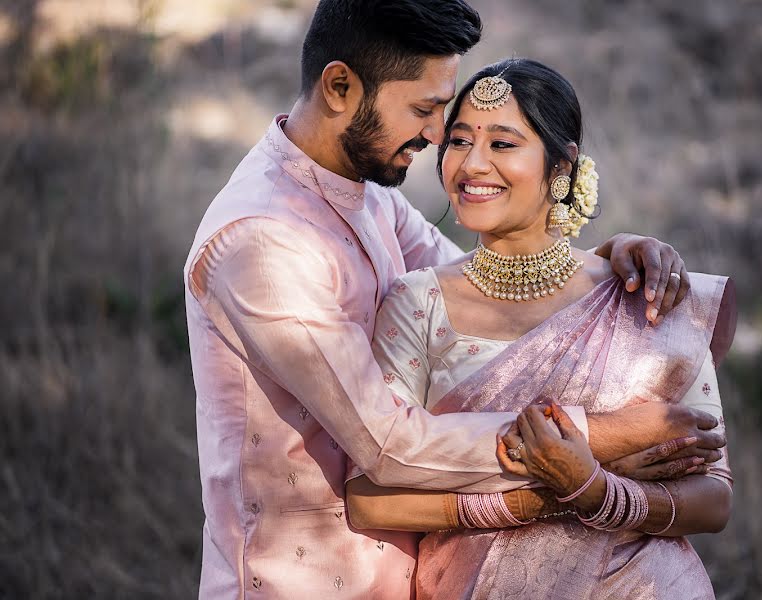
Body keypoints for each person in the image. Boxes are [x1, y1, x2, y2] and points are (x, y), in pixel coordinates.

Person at [183, 2, 725, 598]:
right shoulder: (263, 241)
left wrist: (602, 262)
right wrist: (598, 443)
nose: (440, 138)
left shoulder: (368, 198)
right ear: (340, 86)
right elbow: (388, 445)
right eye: (426, 110)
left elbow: (492, 284)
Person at [345, 58, 736, 599]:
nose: (473, 164)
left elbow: (714, 498)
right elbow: (368, 496)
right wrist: (547, 495)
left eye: (503, 144)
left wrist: (597, 492)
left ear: (562, 167)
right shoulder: (419, 305)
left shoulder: (642, 291)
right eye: (459, 141)